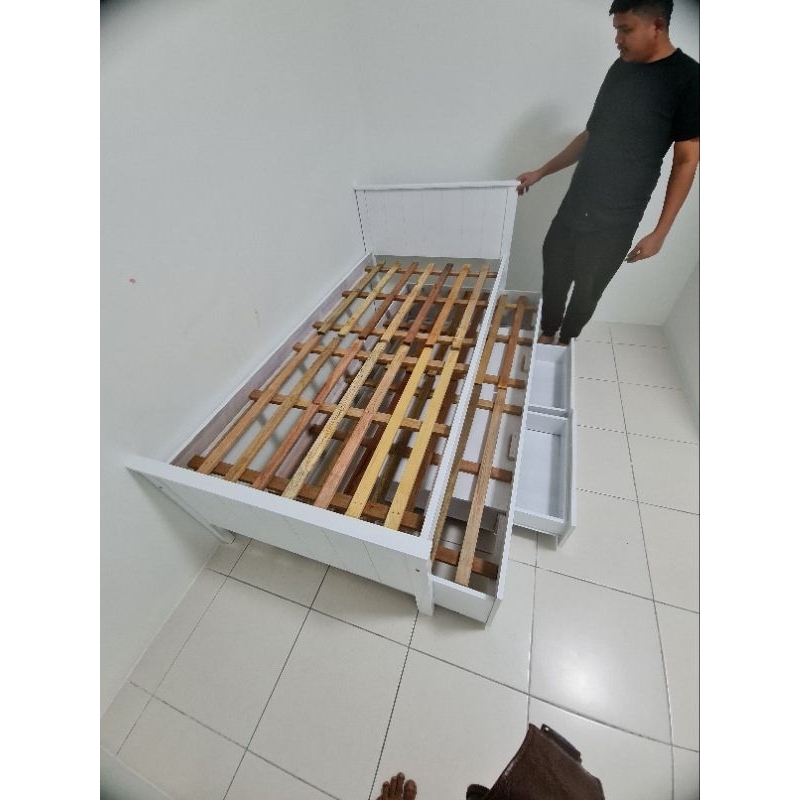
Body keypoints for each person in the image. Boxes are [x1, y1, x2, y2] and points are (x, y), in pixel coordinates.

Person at [516, 0, 699, 345]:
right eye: (616, 29)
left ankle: (566, 340)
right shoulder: (620, 68)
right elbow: (591, 134)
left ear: (657, 26)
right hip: (575, 205)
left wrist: (660, 232)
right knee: (554, 274)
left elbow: (686, 160)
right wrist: (542, 171)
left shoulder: (690, 79)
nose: (617, 39)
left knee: (587, 290)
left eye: (625, 30)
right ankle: (548, 333)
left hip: (615, 222)